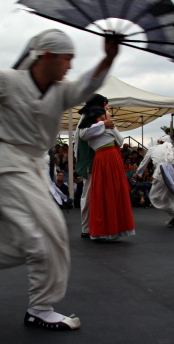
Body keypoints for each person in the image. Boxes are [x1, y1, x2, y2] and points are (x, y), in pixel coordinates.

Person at [0, 0, 120, 330]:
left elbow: (87, 85)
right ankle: (40, 308)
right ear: (46, 57)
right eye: (65, 59)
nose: (69, 67)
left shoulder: (61, 91)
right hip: (5, 167)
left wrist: (107, 58)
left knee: (32, 241)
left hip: (32, 168)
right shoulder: (9, 81)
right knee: (43, 234)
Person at [80, 106, 134, 240]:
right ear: (101, 116)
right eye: (106, 113)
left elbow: (120, 141)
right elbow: (120, 141)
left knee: (108, 191)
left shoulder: (95, 128)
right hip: (107, 158)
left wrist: (107, 125)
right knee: (109, 191)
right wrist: (105, 124)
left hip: (106, 158)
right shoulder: (96, 127)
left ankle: (109, 229)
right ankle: (109, 230)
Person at [74, 94, 113, 238]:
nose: (107, 108)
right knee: (89, 195)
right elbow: (84, 134)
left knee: (90, 194)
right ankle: (87, 228)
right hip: (89, 162)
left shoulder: (88, 117)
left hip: (90, 161)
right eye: (106, 104)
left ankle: (91, 227)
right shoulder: (88, 118)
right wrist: (104, 124)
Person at [136, 135, 174, 226]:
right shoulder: (173, 150)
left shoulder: (153, 148)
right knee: (169, 196)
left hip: (163, 172)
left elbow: (144, 162)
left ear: (160, 142)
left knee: (155, 197)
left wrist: (138, 173)